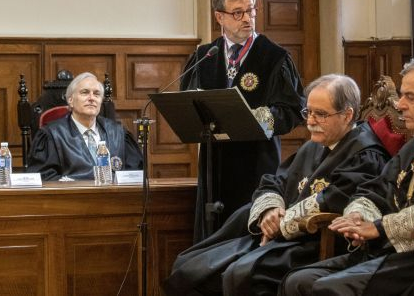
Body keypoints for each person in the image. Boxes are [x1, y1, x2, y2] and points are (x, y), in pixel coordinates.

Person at [163, 74, 388, 296]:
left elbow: (334, 200)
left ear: (347, 115)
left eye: (320, 114)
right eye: (308, 112)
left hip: (315, 241)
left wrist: (281, 222)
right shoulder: (315, 145)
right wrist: (270, 210)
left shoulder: (365, 155)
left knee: (237, 274)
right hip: (279, 236)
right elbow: (275, 181)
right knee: (189, 265)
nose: (310, 122)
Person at [281, 56, 414, 296]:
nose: (399, 105)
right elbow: (375, 189)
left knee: (326, 288)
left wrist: (379, 228)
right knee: (297, 281)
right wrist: (359, 217)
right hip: (389, 252)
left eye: (411, 97)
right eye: (401, 95)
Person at [181, 0, 306, 240]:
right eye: (238, 12)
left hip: (257, 161)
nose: (247, 18)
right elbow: (188, 103)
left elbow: (293, 109)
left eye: (251, 11)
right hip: (215, 162)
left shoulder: (274, 57)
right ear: (220, 17)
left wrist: (258, 118)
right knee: (214, 230)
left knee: (247, 232)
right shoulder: (204, 56)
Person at [27, 72, 143, 180]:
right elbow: (43, 178)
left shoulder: (118, 133)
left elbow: (135, 174)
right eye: (85, 92)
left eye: (96, 94)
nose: (91, 98)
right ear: (70, 100)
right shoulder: (52, 135)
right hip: (73, 200)